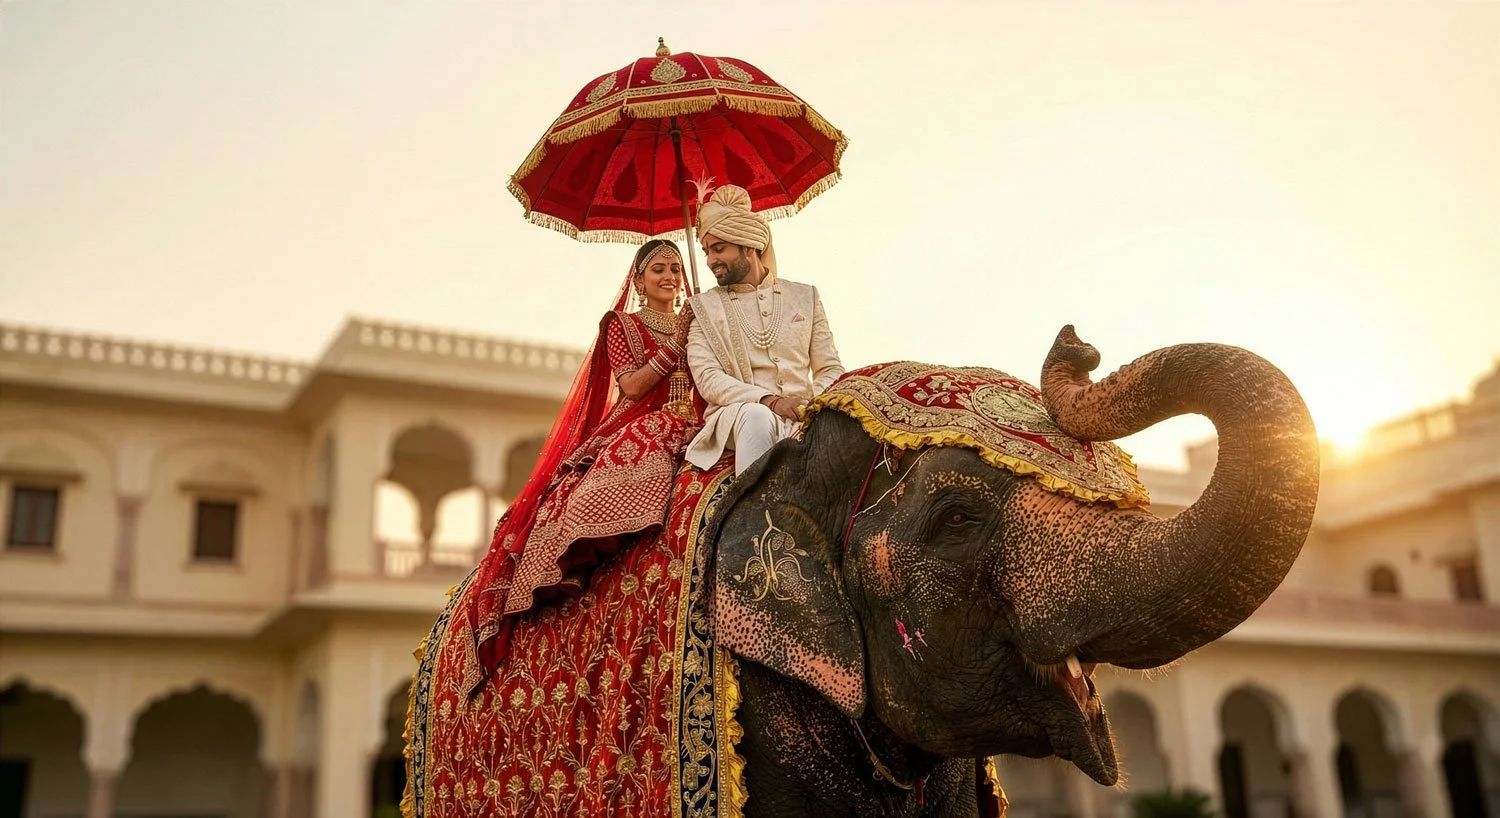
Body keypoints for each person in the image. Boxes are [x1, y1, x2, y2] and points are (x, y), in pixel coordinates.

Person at [465, 239, 702, 674]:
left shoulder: (700, 320)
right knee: (620, 468)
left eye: (676, 268)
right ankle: (581, 554)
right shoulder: (622, 325)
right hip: (644, 421)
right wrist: (678, 342)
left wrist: (708, 327)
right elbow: (632, 386)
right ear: (639, 281)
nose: (670, 277)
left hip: (702, 419)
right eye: (659, 269)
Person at [683, 185, 845, 476]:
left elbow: (831, 368)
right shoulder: (704, 308)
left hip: (807, 412)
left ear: (748, 247)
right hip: (739, 413)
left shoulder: (805, 296)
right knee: (757, 417)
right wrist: (769, 401)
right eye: (706, 251)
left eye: (718, 249)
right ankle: (752, 504)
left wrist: (812, 404)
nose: (709, 261)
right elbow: (708, 378)